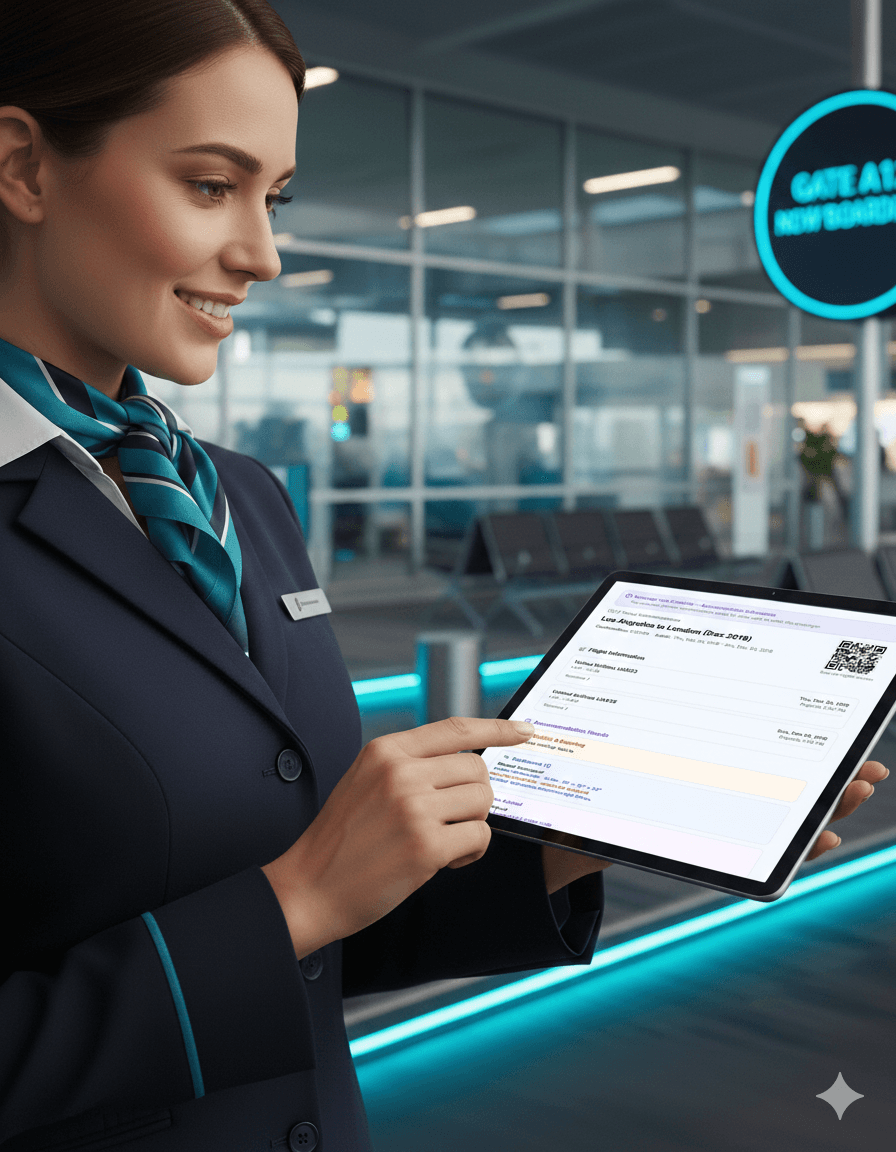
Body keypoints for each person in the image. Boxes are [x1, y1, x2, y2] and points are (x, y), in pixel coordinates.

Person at [0, 2, 886, 1148]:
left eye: (274, 199)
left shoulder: (242, 497)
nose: (263, 255)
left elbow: (325, 932)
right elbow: (291, 909)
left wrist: (580, 837)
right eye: (211, 186)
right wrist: (295, 903)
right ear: (23, 165)